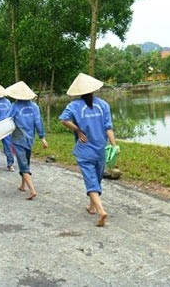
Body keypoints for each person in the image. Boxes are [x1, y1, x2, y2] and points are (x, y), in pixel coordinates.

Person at [59, 72, 117, 227]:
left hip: (84, 150)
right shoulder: (103, 105)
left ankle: (100, 210)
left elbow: (63, 119)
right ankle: (92, 206)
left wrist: (78, 130)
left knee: (91, 181)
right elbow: (108, 127)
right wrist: (114, 145)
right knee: (97, 179)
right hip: (100, 150)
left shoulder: (74, 106)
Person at [6, 81, 48, 200]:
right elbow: (38, 122)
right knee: (26, 161)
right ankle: (22, 185)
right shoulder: (34, 107)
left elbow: (8, 121)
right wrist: (42, 137)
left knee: (23, 164)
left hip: (18, 138)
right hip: (30, 138)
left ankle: (32, 190)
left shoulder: (14, 106)